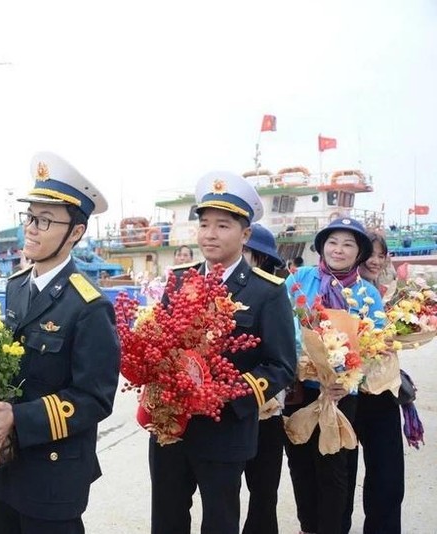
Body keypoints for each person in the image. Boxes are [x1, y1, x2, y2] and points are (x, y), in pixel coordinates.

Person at [0, 151, 121, 534]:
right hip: (7, 466)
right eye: (30, 217)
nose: (31, 229)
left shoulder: (89, 306)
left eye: (45, 220)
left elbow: (94, 397)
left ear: (76, 232)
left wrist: (19, 417)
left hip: (54, 472)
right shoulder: (17, 287)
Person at [150, 171, 296, 534]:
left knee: (220, 520)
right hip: (172, 426)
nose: (210, 234)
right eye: (204, 224)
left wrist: (225, 394)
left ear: (245, 234)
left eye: (223, 225)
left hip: (226, 429)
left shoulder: (267, 291)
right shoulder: (179, 280)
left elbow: (280, 366)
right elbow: (161, 346)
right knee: (167, 518)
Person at [283, 217, 385, 534]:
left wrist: (349, 377)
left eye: (348, 244)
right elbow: (285, 329)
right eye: (332, 242)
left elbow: (376, 346)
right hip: (300, 391)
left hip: (341, 396)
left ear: (358, 253)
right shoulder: (299, 281)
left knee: (334, 469)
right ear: (322, 246)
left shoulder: (367, 294)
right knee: (300, 465)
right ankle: (308, 527)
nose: (338, 250)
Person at [343, 232, 405, 534]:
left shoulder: (395, 295)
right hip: (346, 393)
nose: (376, 260)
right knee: (340, 477)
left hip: (382, 392)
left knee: (388, 477)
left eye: (382, 254)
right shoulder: (341, 292)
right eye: (370, 253)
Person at [240, 223, 287, 534]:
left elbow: (286, 356)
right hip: (225, 414)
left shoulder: (274, 296)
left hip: (265, 412)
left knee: (264, 493)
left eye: (246, 254)